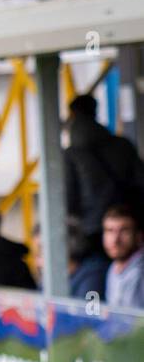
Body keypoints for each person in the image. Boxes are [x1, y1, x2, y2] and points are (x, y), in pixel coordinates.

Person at [64, 93, 144, 252]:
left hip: (91, 230)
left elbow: (68, 200)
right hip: (127, 223)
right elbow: (141, 183)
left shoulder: (71, 154)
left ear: (73, 115)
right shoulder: (123, 145)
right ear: (95, 112)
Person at [103, 204, 144, 309]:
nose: (115, 240)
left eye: (124, 231)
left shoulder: (140, 271)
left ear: (139, 236)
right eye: (110, 231)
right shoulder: (113, 267)